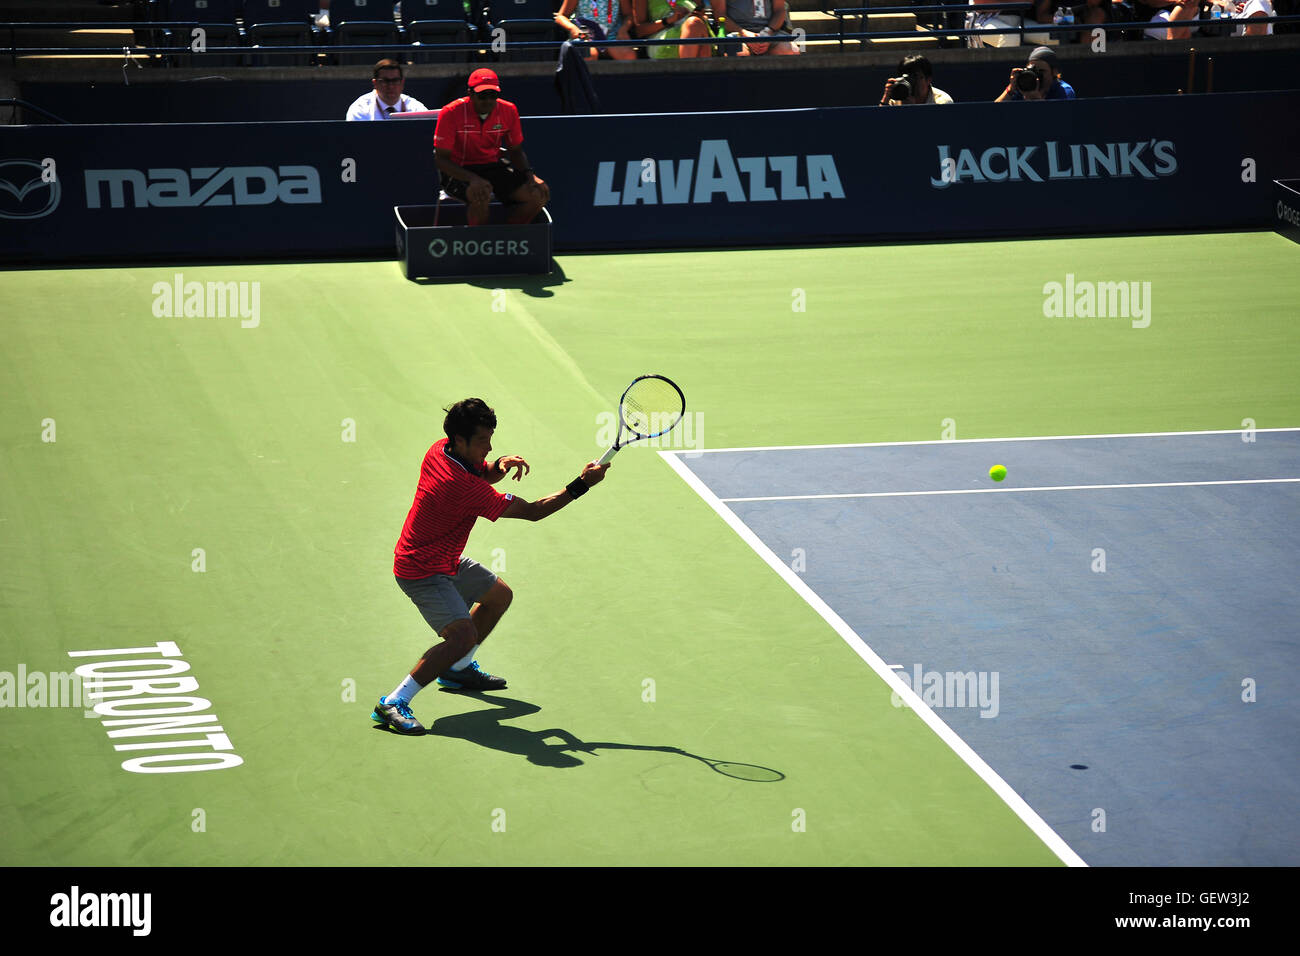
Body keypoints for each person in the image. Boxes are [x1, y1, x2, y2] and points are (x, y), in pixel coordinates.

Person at [373, 398, 611, 736]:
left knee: (498, 596)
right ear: (460, 439)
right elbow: (534, 511)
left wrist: (496, 465)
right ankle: (394, 702)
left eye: (490, 439)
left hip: (446, 558)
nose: (490, 446)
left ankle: (457, 669)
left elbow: (480, 471)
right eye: (483, 441)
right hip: (422, 570)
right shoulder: (459, 486)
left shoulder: (440, 449)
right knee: (461, 635)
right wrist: (582, 484)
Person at [433, 69, 551, 227]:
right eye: (482, 95)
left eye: (492, 95)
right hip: (459, 170)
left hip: (493, 167)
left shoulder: (508, 110)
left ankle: (508, 239)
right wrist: (473, 179)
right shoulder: (451, 113)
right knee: (480, 194)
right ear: (470, 93)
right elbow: (440, 159)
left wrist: (530, 176)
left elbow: (515, 151)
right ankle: (479, 245)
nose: (487, 101)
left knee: (538, 194)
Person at [345, 59, 428, 121]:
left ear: (402, 82)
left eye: (395, 81)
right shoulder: (360, 109)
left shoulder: (416, 108)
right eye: (385, 81)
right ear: (375, 83)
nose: (391, 86)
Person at [556, 0, 637, 60]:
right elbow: (561, 16)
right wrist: (573, 29)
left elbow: (629, 15)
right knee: (589, 55)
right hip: (586, 37)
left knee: (629, 55)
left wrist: (623, 29)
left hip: (613, 36)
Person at [632, 0, 714, 59]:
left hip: (695, 29)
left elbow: (702, 13)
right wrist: (669, 20)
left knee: (694, 24)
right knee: (694, 25)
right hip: (662, 39)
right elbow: (640, 30)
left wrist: (697, 15)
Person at [995, 45, 1077, 100]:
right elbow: (993, 113)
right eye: (1033, 71)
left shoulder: (1065, 91)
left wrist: (1036, 100)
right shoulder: (1024, 86)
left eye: (1041, 71)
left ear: (1054, 72)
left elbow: (1061, 121)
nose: (1037, 76)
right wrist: (1010, 90)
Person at [721, 0, 801, 55]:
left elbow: (779, 10)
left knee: (791, 51)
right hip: (736, 33)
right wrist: (743, 33)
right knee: (739, 54)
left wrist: (768, 32)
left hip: (771, 31)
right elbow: (720, 15)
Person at [967, 0, 1057, 48]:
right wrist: (1019, 1)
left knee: (1056, 36)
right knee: (1011, 37)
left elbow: (1042, 16)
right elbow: (981, 3)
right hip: (986, 20)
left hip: (1020, 21)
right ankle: (1010, 80)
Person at [879, 54, 955, 105]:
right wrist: (885, 99)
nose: (911, 82)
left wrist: (914, 109)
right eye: (906, 78)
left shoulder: (943, 102)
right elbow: (878, 124)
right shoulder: (898, 95)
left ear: (928, 80)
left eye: (915, 77)